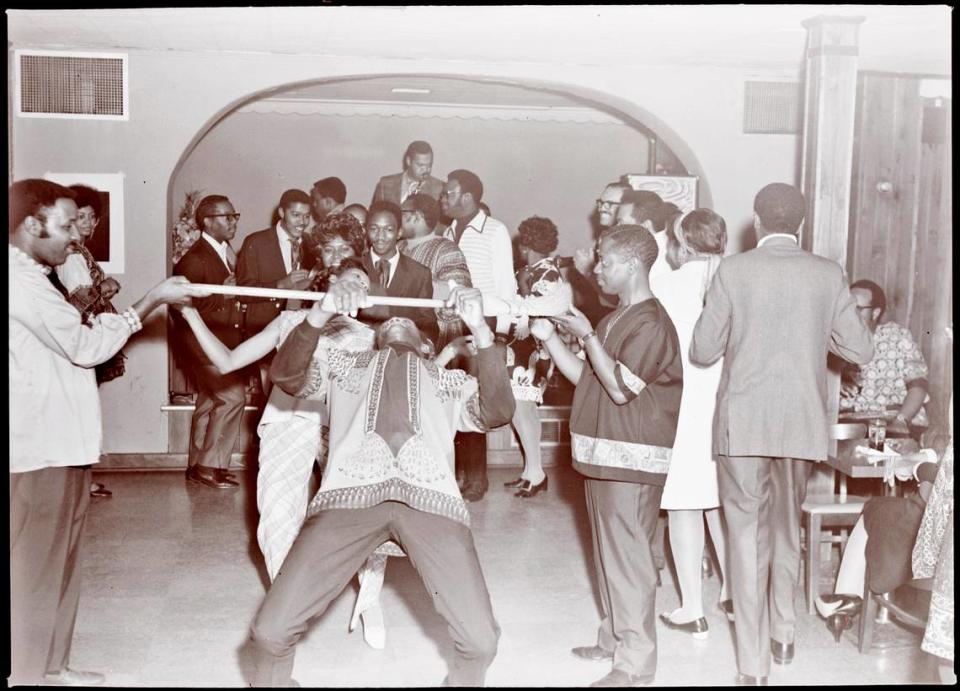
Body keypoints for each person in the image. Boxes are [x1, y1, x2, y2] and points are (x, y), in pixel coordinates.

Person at [248, 281, 515, 688]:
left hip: (433, 503)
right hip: (345, 501)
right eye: (385, 325)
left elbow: (497, 411)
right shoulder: (344, 368)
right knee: (269, 632)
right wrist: (320, 311)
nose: (395, 320)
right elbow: (286, 374)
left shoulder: (449, 381)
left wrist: (480, 330)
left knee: (480, 642)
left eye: (410, 323)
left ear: (428, 347)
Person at [9, 178, 206, 686]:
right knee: (36, 568)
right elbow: (85, 346)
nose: (76, 236)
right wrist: (151, 301)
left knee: (63, 560)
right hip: (40, 449)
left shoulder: (38, 274)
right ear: (32, 225)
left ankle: (52, 665)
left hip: (65, 442)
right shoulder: (18, 279)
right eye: (67, 224)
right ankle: (27, 674)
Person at [690, 183, 874, 685]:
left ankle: (753, 666)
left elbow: (704, 351)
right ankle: (786, 634)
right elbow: (860, 350)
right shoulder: (827, 273)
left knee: (745, 538)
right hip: (800, 423)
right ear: (801, 224)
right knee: (786, 528)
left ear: (757, 221)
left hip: (744, 424)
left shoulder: (733, 270)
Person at [532, 224, 683, 687]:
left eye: (606, 261)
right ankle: (613, 639)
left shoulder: (652, 322)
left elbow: (619, 389)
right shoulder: (617, 316)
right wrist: (552, 337)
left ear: (633, 265)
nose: (597, 269)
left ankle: (636, 664)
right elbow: (588, 379)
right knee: (608, 555)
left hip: (632, 458)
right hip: (603, 454)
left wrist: (586, 334)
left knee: (629, 559)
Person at [650, 208, 732, 638]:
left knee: (684, 503)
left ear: (681, 244)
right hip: (727, 403)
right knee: (719, 500)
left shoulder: (668, 282)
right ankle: (734, 594)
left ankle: (691, 609)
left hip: (684, 402)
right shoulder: (731, 278)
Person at [440, 168, 518, 502]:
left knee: (475, 401)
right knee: (451, 400)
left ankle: (476, 479)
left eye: (450, 193)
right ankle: (456, 475)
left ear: (469, 197)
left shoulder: (495, 230)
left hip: (481, 324)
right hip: (450, 325)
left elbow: (506, 285)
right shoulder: (446, 231)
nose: (444, 198)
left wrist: (498, 332)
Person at [171, 194, 247, 489]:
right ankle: (209, 465)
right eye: (227, 217)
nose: (233, 222)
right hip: (203, 345)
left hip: (221, 342)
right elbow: (180, 306)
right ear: (207, 221)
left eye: (234, 216)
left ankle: (197, 464)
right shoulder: (196, 258)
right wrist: (222, 298)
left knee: (208, 401)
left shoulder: (225, 252)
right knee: (232, 397)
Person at [54, 183, 123, 499]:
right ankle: (77, 482)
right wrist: (105, 288)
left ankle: (80, 480)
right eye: (78, 216)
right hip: (80, 339)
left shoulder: (77, 250)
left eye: (89, 217)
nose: (84, 222)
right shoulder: (69, 254)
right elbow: (77, 299)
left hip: (87, 337)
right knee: (79, 410)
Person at [502, 215, 565, 497]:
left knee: (524, 409)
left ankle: (537, 473)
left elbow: (544, 310)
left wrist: (524, 285)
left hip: (535, 351)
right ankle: (531, 471)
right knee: (521, 410)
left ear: (526, 245)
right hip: (522, 349)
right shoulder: (533, 269)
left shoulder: (548, 272)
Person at [236, 188, 315, 395]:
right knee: (268, 401)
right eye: (296, 215)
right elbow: (243, 292)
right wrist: (281, 284)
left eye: (307, 216)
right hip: (265, 334)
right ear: (281, 212)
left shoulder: (311, 244)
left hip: (299, 335)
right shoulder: (255, 242)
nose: (302, 222)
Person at [840, 278, 930, 438]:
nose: (850, 315)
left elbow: (918, 385)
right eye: (847, 308)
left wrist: (901, 420)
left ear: (875, 313)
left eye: (858, 308)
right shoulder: (835, 341)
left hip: (892, 423)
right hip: (847, 425)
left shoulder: (897, 337)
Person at [399, 192, 472, 350]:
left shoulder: (446, 249)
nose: (396, 219)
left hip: (436, 344)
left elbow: (459, 293)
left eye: (401, 213)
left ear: (416, 216)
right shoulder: (398, 247)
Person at [362, 200, 437, 344]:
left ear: (399, 233)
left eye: (388, 229)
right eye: (374, 228)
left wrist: (419, 346)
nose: (380, 236)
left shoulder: (419, 274)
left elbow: (428, 324)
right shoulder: (354, 267)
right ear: (366, 230)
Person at [616, 189, 671, 281]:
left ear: (645, 227)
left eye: (621, 223)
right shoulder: (663, 251)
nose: (616, 229)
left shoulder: (657, 263)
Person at [371, 139, 444, 207]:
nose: (426, 170)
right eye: (420, 165)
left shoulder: (440, 189)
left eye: (429, 165)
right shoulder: (385, 185)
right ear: (408, 161)